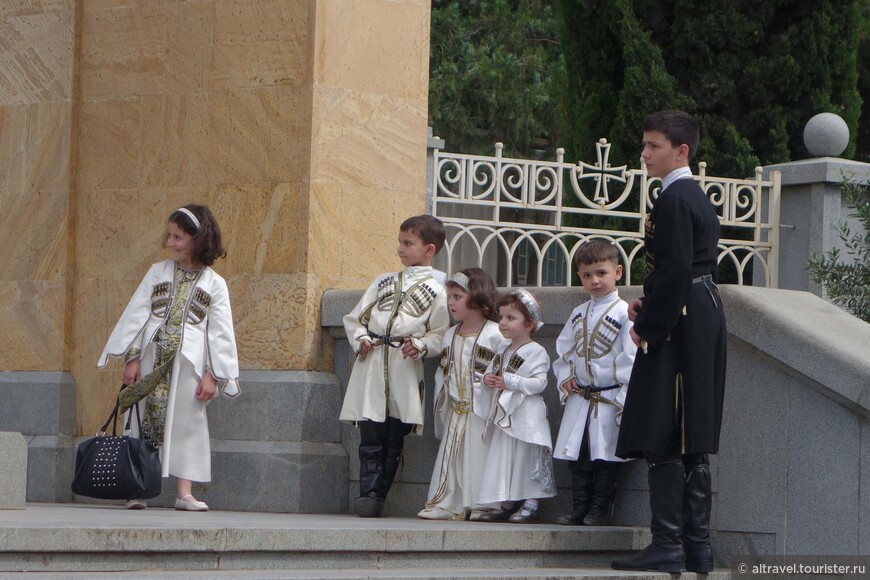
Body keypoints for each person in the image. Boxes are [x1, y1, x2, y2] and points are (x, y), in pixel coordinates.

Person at [611, 110, 727, 574]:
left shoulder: (675, 198)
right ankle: (695, 549)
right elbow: (685, 268)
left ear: (681, 151)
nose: (644, 154)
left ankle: (668, 546)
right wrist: (650, 300)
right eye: (644, 145)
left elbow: (676, 268)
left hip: (681, 319)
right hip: (698, 311)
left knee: (665, 427)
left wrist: (649, 326)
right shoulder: (690, 196)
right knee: (690, 431)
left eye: (653, 146)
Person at [98, 205, 240, 512]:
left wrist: (213, 375)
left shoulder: (215, 284)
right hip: (152, 361)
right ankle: (138, 488)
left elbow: (221, 333)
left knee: (187, 422)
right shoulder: (157, 272)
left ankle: (184, 492)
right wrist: (132, 359)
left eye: (178, 237)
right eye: (170, 236)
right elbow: (137, 315)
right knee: (140, 419)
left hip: (188, 366)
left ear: (198, 239)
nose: (171, 243)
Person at [340, 215, 450, 518]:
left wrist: (422, 345)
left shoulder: (438, 289)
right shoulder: (383, 281)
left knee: (394, 432)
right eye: (400, 242)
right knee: (370, 430)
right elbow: (354, 318)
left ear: (429, 249)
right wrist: (360, 337)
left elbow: (440, 333)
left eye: (408, 243)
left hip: (403, 364)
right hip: (372, 362)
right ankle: (369, 494)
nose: (400, 249)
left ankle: (379, 493)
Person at [552, 239, 637, 526]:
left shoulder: (626, 313)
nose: (595, 281)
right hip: (581, 398)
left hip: (610, 398)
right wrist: (565, 378)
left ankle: (599, 510)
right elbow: (563, 351)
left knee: (606, 457)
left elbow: (632, 355)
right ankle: (579, 508)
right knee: (578, 455)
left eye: (601, 272)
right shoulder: (578, 313)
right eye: (587, 275)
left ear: (618, 272)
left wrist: (624, 393)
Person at [417, 267, 505, 521]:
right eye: (450, 296)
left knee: (479, 456)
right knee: (452, 459)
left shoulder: (495, 333)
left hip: (482, 411)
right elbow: (443, 374)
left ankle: (482, 504)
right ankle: (448, 502)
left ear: (477, 297)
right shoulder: (449, 335)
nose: (451, 302)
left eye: (458, 296)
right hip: (456, 410)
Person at [473, 288, 555, 523]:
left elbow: (539, 383)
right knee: (507, 457)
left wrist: (509, 381)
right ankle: (507, 499)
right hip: (505, 415)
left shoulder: (536, 351)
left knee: (526, 457)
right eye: (501, 317)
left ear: (529, 323)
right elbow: (491, 373)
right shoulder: (501, 350)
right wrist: (488, 380)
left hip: (526, 415)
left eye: (511, 318)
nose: (503, 323)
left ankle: (531, 502)